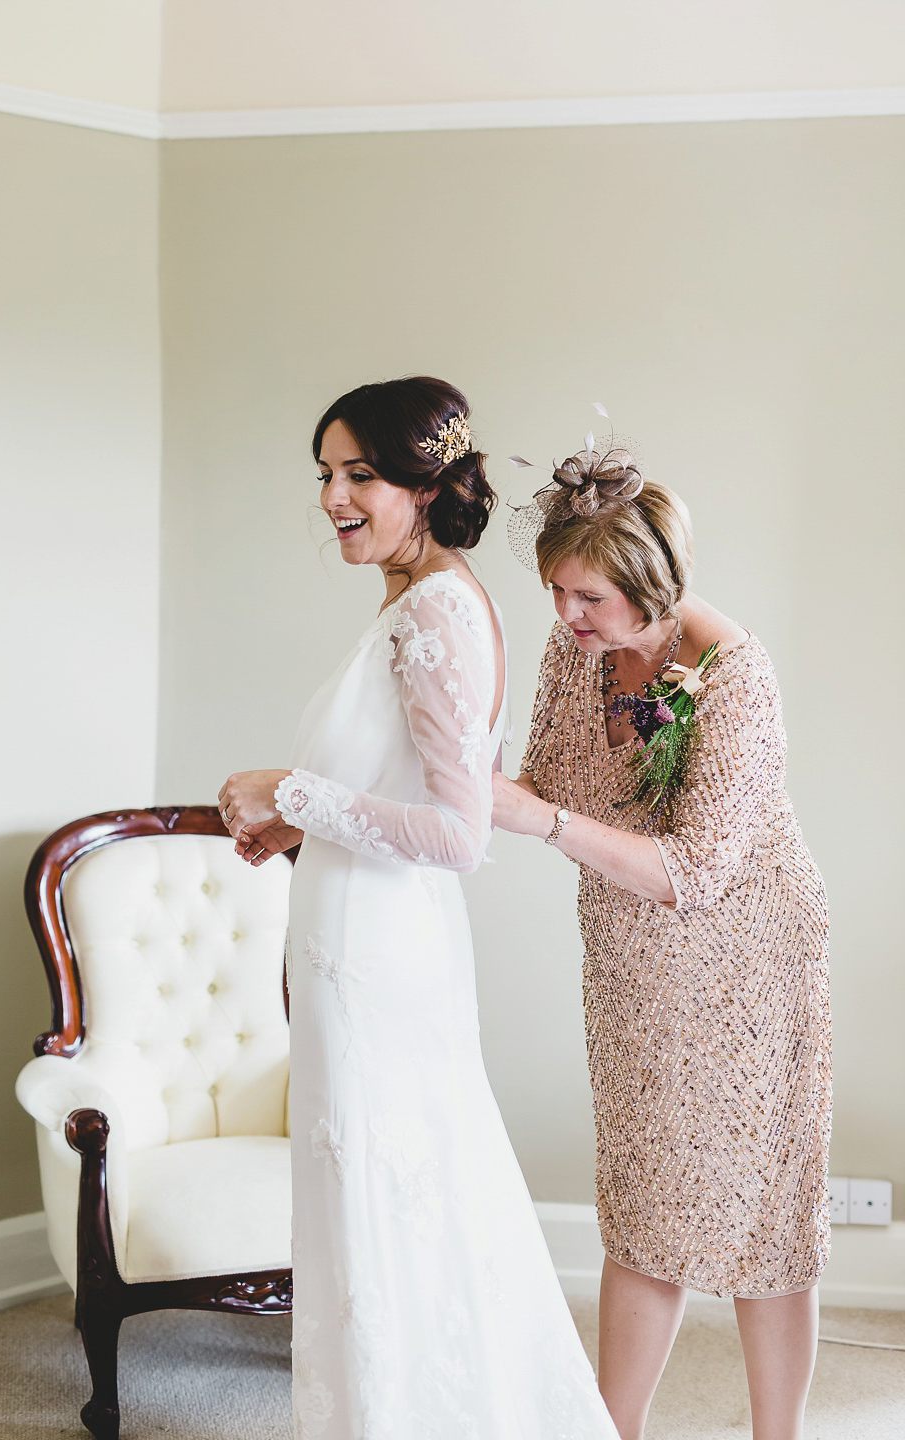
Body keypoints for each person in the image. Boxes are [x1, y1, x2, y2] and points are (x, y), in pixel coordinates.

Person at [218, 378, 617, 1440]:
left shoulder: (437, 608)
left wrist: (288, 791)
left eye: (357, 475)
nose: (330, 497)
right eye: (325, 475)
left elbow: (458, 835)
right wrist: (298, 827)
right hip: (364, 943)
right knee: (387, 1206)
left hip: (381, 957)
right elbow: (405, 790)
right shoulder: (419, 597)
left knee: (385, 1205)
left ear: (425, 484)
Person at [493, 436, 830, 1440]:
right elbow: (541, 776)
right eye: (557, 590)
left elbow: (695, 872)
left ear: (658, 588)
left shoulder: (735, 677)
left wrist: (538, 823)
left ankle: (781, 1436)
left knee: (763, 1213)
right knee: (643, 1199)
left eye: (588, 597)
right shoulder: (575, 653)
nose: (565, 616)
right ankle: (614, 1429)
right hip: (634, 965)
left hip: (753, 962)